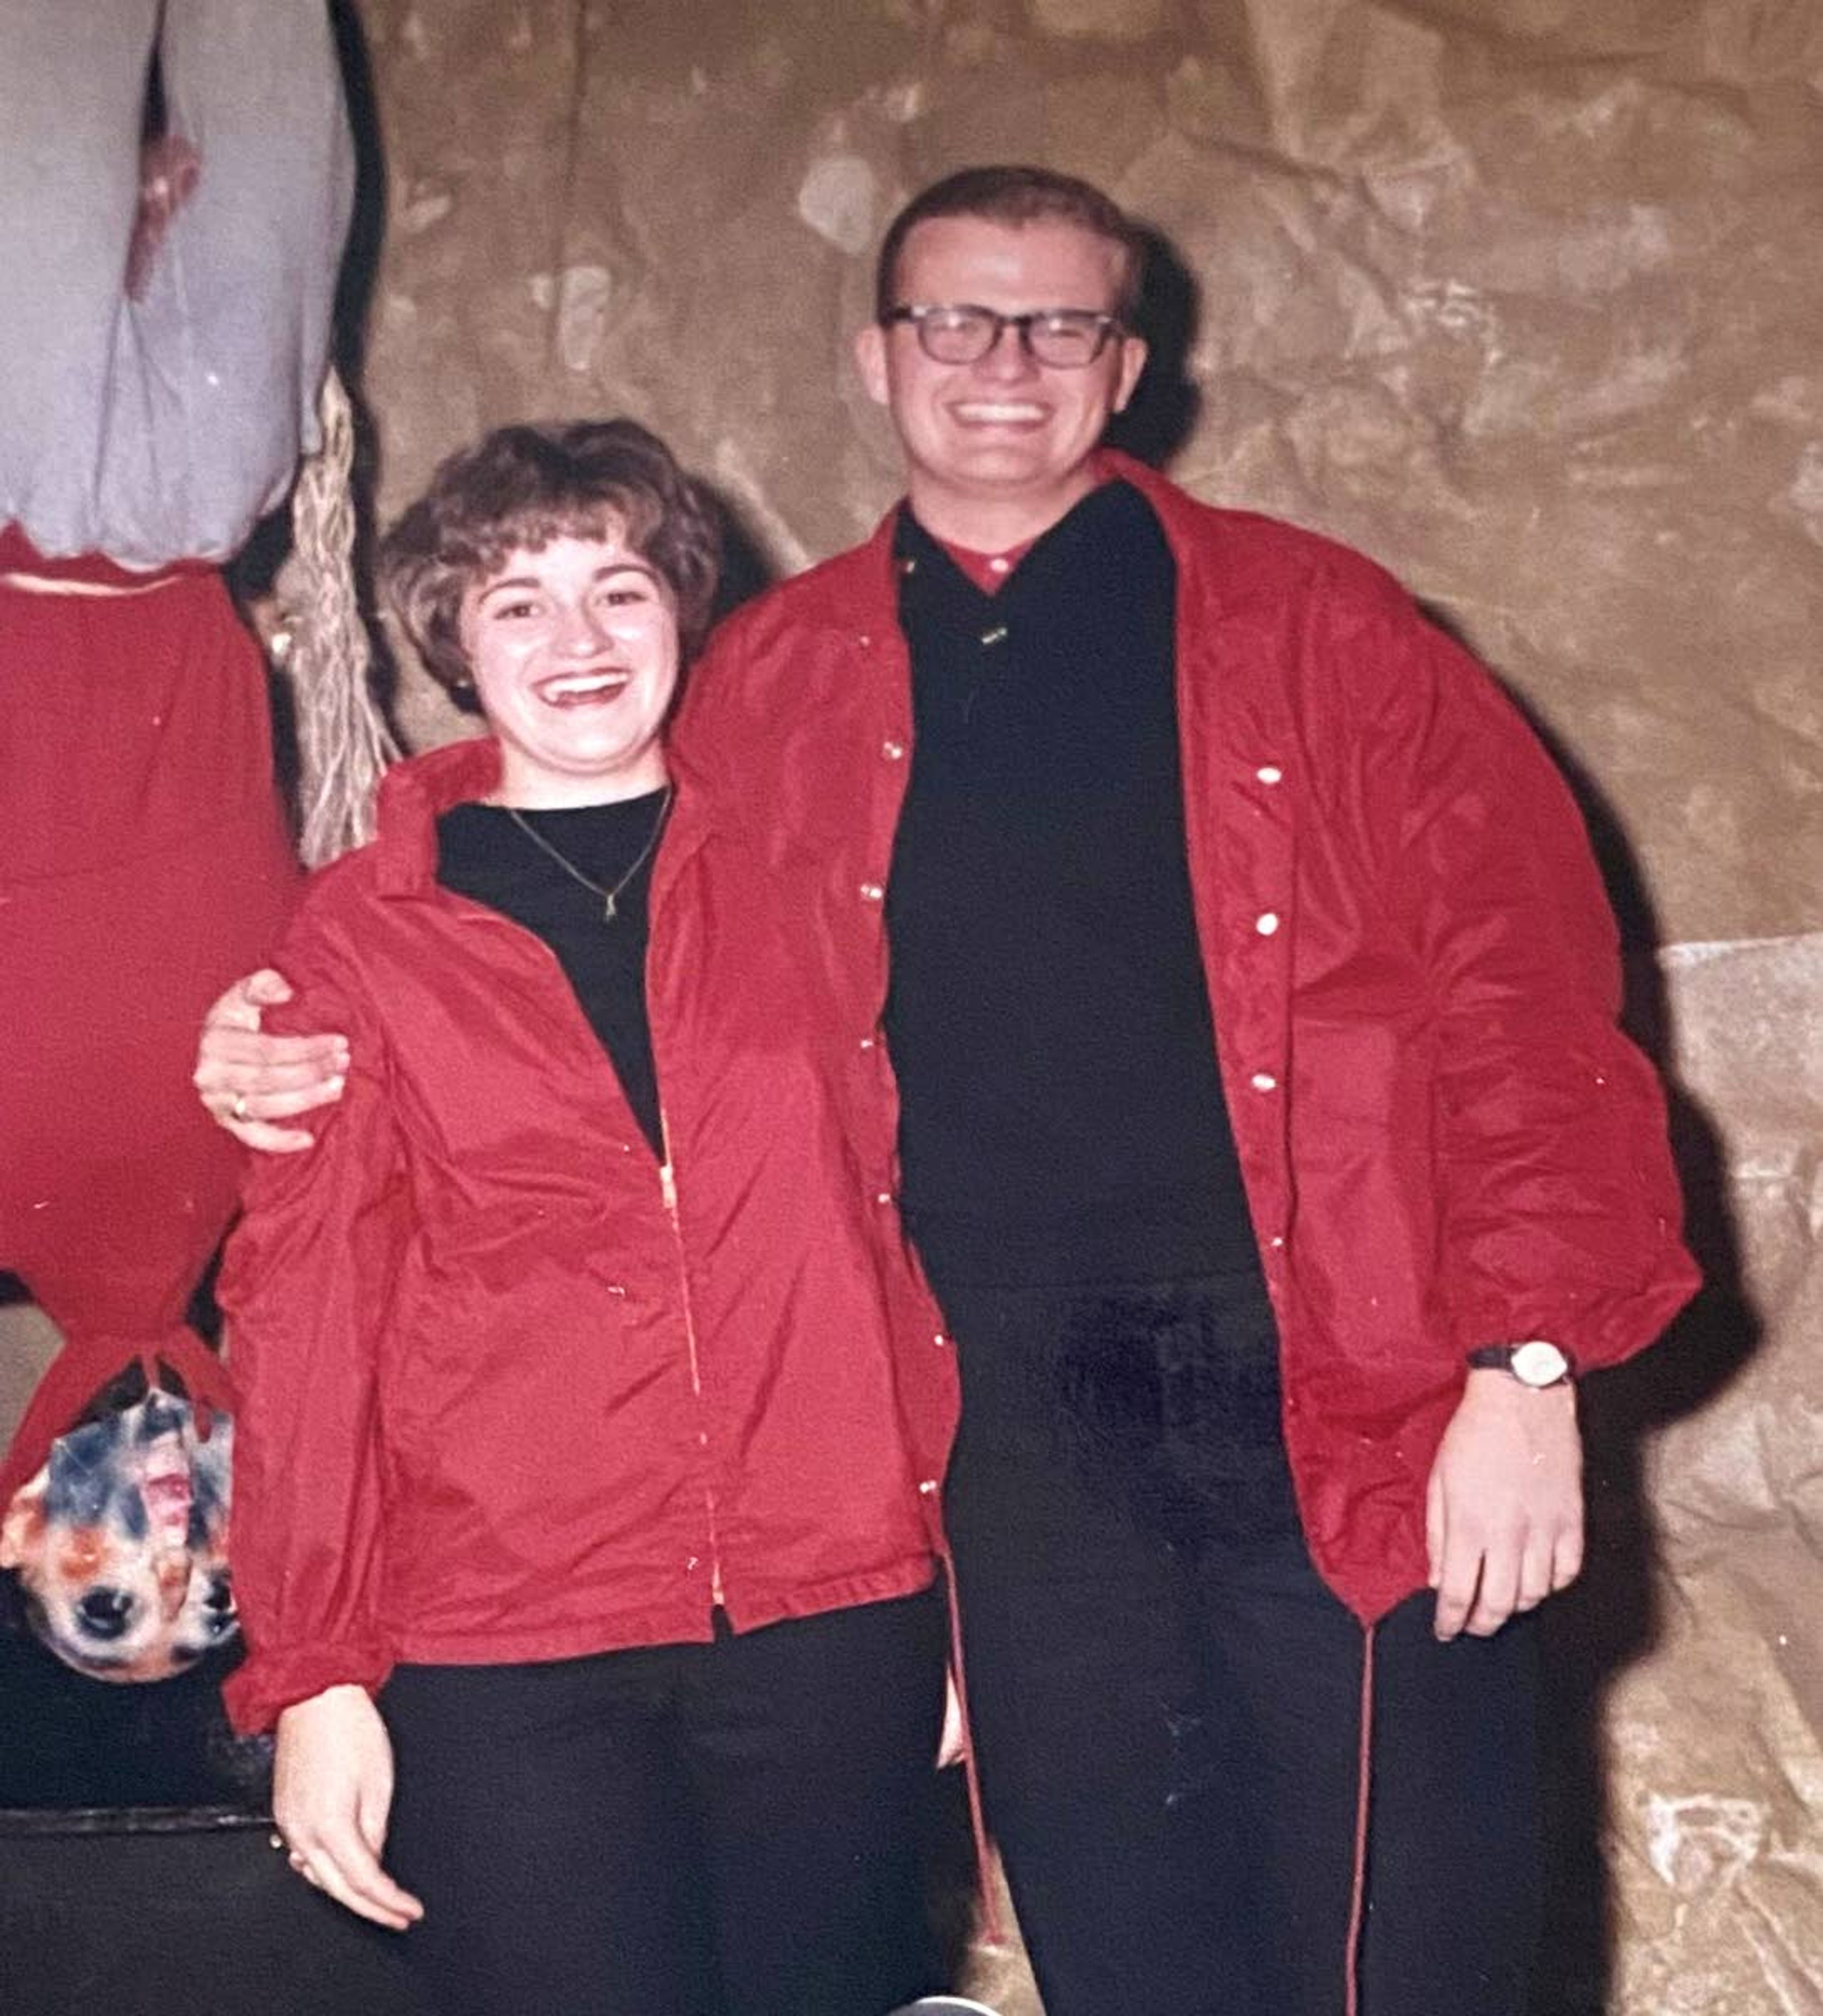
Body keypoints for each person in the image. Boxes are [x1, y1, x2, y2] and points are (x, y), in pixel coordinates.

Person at [197, 170, 1700, 2015]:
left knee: (1412, 1959)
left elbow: (1526, 998)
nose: (1006, 362)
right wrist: (281, 1000)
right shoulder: (785, 680)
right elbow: (536, 852)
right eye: (956, 322)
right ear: (879, 359)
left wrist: (1528, 1365)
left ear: (1129, 363)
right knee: (1124, 1951)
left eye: (1060, 322)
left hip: (1341, 1403)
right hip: (1017, 1454)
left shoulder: (1330, 630)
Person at [210, 420, 958, 2016]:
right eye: (519, 600)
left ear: (685, 614)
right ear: (451, 643)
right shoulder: (363, 935)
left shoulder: (815, 878)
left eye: (620, 590)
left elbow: (918, 1239)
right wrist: (318, 1672)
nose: (579, 640)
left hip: (832, 1614)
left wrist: (961, 1582)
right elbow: (305, 1312)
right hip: (503, 1642)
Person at [0, 0, 350, 1611]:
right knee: (266, 94)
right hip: (196, 512)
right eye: (190, 1515)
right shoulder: (282, 1194)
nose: (155, 1482)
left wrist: (81, 257)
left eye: (112, 1521)